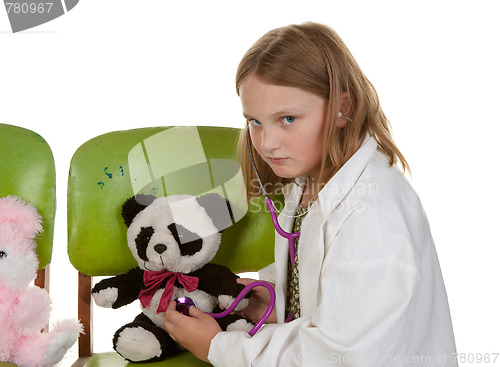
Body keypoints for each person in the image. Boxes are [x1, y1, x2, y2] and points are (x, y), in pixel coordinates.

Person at [164, 22, 457, 366]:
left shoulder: (373, 216)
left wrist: (218, 347)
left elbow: (343, 356)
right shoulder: (310, 182)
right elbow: (321, 281)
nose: (267, 143)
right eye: (255, 121)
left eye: (287, 118)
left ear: (341, 109)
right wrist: (274, 303)